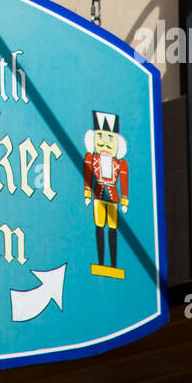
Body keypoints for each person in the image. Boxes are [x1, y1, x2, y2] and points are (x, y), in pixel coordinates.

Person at [83, 109, 128, 274]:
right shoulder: (91, 158)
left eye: (110, 138)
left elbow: (123, 182)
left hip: (113, 198)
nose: (105, 143)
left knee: (113, 229)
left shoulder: (120, 164)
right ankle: (101, 263)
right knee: (99, 227)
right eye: (100, 137)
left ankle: (114, 265)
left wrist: (124, 200)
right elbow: (88, 175)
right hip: (98, 196)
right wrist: (87, 193)